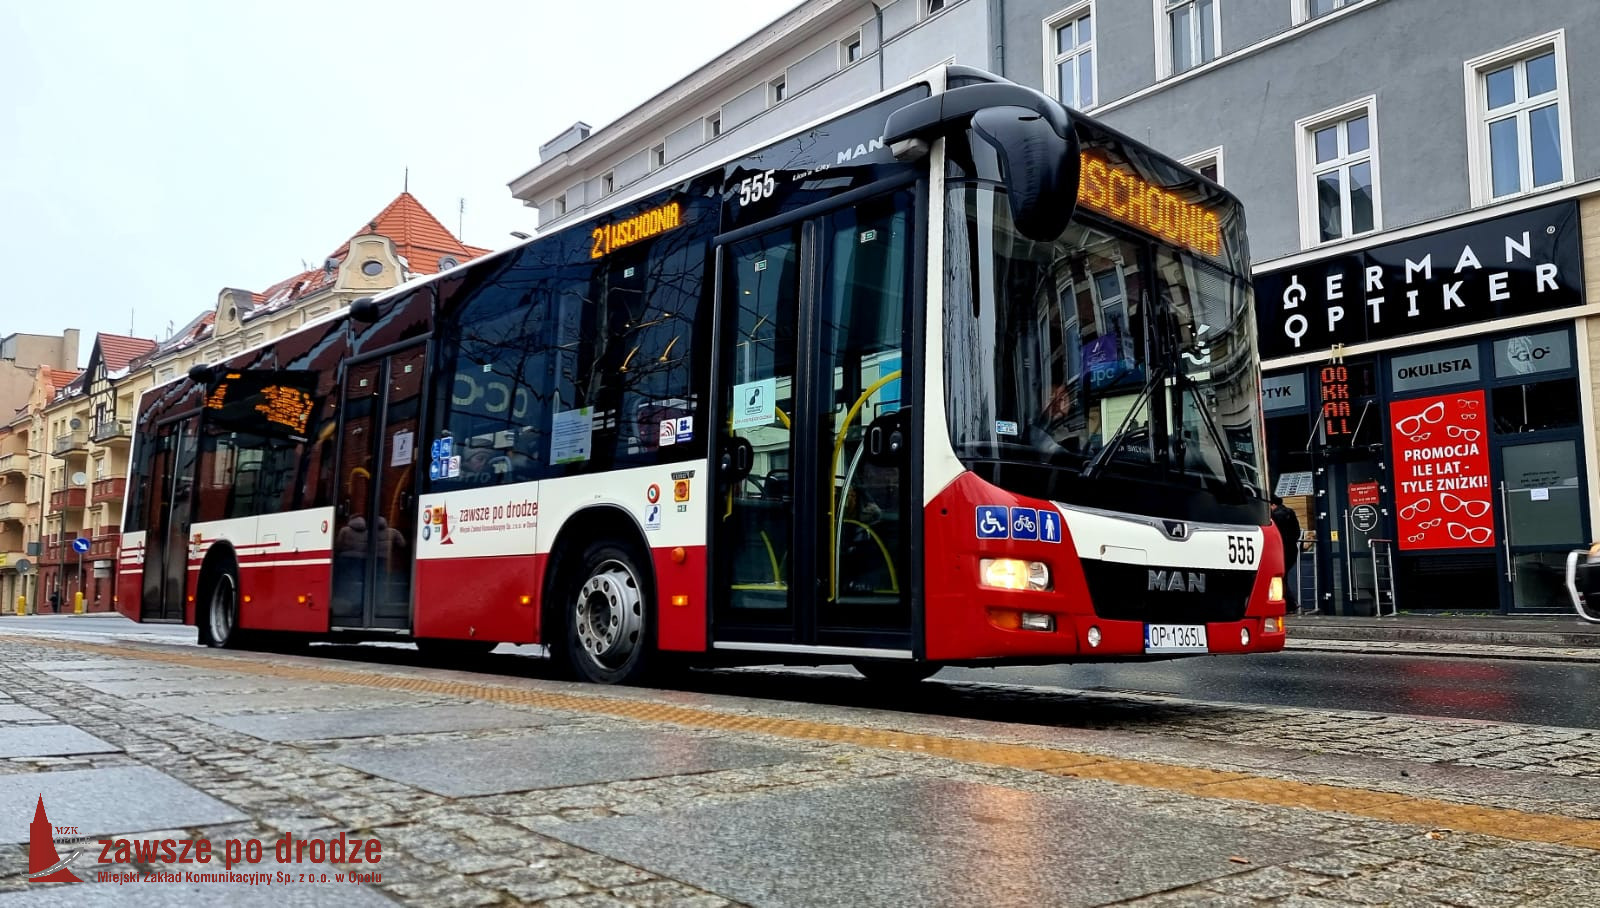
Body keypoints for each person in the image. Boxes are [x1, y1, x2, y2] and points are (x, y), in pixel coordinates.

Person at [1269, 495, 1302, 614]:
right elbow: (1297, 532)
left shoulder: (1274, 516)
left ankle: (1290, 605)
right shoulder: (1291, 512)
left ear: (1273, 505)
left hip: (1281, 550)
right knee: (1283, 577)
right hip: (1292, 549)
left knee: (1279, 578)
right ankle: (1290, 605)